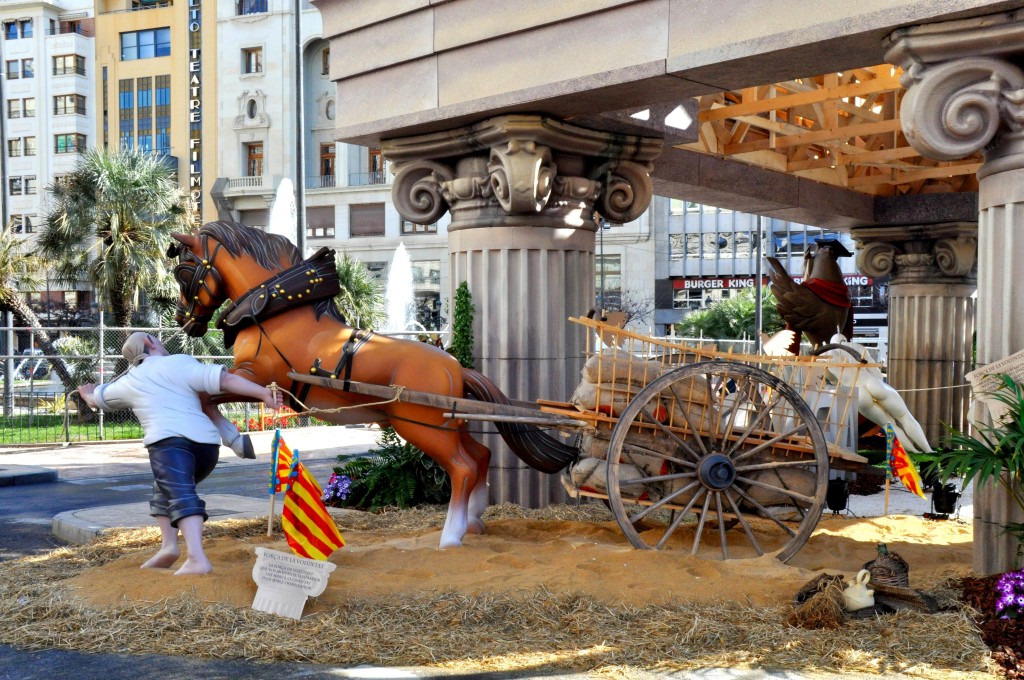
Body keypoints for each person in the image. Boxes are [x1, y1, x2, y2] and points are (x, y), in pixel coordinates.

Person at [78, 332, 282, 576]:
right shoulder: (179, 362)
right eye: (157, 339)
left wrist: (86, 391)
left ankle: (196, 557)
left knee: (180, 493)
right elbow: (225, 380)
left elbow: (96, 399)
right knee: (163, 489)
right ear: (150, 343)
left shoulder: (129, 382)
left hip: (169, 446)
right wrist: (263, 394)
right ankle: (169, 547)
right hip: (207, 448)